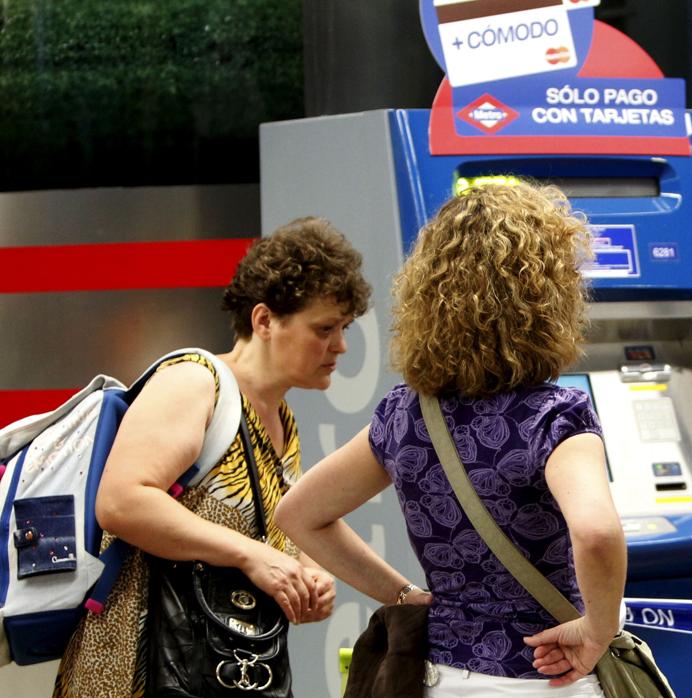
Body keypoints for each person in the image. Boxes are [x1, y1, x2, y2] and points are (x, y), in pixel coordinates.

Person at [276, 182, 627, 697]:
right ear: (549, 297)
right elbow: (596, 532)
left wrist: (404, 595)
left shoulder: (406, 413)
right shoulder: (556, 418)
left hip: (438, 679)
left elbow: (299, 515)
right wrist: (598, 629)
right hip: (546, 678)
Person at [53, 217, 372, 698]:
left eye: (344, 328)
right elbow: (122, 501)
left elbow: (281, 523)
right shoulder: (195, 382)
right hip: (135, 670)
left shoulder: (282, 417)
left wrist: (310, 573)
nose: (340, 346)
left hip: (216, 668)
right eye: (324, 328)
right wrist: (252, 554)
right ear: (264, 321)